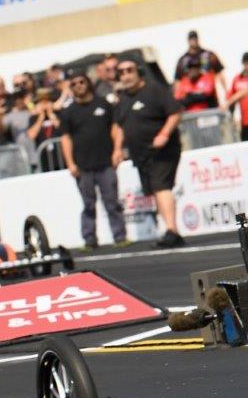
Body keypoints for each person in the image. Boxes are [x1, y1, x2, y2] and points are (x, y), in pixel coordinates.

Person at [114, 59, 184, 247]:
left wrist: (164, 133)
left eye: (130, 70)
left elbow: (175, 112)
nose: (126, 75)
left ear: (138, 72)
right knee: (155, 190)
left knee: (161, 186)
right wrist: (117, 148)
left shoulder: (155, 90)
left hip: (162, 150)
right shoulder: (123, 98)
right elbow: (120, 126)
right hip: (141, 154)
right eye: (121, 72)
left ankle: (171, 229)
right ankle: (171, 231)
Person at [59, 71, 128, 250]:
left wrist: (117, 150)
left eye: (81, 81)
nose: (78, 86)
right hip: (82, 166)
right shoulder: (68, 112)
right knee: (88, 205)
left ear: (88, 83)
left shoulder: (103, 104)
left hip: (106, 162)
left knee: (112, 202)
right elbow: (65, 139)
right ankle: (90, 240)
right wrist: (70, 163)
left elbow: (115, 128)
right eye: (73, 84)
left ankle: (120, 237)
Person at [174, 30, 227, 99]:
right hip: (190, 99)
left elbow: (219, 74)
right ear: (188, 40)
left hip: (209, 96)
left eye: (195, 38)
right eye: (191, 39)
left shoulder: (209, 55)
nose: (193, 41)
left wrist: (226, 92)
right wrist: (177, 99)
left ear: (198, 39)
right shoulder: (182, 60)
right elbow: (178, 80)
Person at [28, 88, 65, 171]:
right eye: (41, 102)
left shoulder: (59, 114)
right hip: (44, 158)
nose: (44, 105)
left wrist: (51, 115)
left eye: (46, 101)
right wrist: (41, 118)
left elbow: (64, 130)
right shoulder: (33, 118)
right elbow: (31, 135)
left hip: (60, 157)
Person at [3, 91, 38, 168]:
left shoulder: (30, 111)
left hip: (35, 153)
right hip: (21, 155)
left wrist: (29, 103)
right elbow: (2, 127)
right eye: (17, 98)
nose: (19, 100)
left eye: (21, 98)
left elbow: (36, 112)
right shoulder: (10, 115)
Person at [226, 52, 248, 142]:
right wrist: (231, 117)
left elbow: (244, 92)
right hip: (245, 122)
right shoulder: (237, 79)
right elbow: (231, 96)